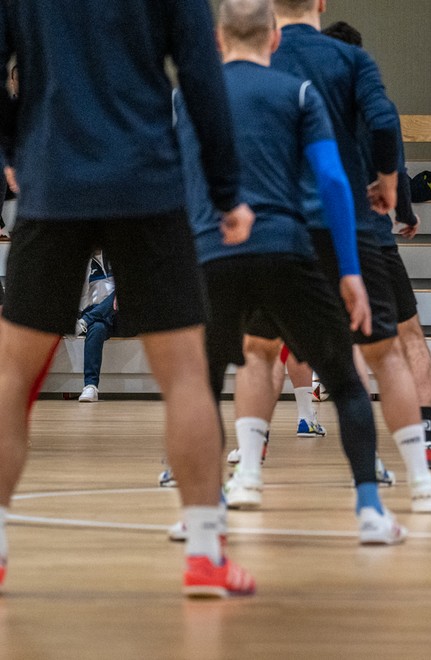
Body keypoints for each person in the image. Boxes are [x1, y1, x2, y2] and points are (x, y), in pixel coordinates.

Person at [0, 0, 256, 597]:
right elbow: (200, 76)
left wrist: (14, 150)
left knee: (11, 380)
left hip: (52, 182)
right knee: (188, 378)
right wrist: (225, 191)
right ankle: (203, 555)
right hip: (146, 185)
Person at [176, 0, 405, 544]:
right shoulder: (298, 93)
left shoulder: (190, 96)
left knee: (202, 390)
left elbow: (180, 180)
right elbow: (331, 182)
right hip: (286, 249)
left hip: (212, 253)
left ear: (216, 42)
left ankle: (201, 518)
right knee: (346, 382)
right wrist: (349, 271)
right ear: (274, 41)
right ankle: (371, 511)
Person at [261, 0, 431, 512]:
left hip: (271, 228)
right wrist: (395, 191)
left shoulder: (257, 58)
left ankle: (243, 471)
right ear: (319, 5)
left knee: (261, 352)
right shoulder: (350, 65)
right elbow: (385, 126)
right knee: (385, 350)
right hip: (352, 229)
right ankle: (419, 475)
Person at [76, 251, 117, 403]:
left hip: (119, 315)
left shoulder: (118, 255)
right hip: (95, 315)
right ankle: (90, 386)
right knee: (97, 328)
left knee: (120, 293)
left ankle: (84, 322)